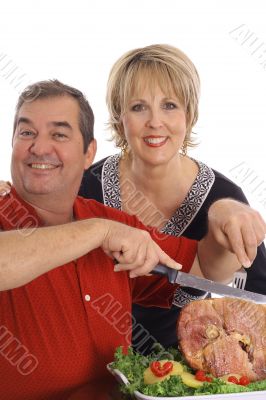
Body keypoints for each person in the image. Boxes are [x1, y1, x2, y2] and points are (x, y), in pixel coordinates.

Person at [0, 80, 243, 400]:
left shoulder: (115, 223)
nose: (39, 147)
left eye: (58, 134)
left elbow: (203, 267)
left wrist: (226, 213)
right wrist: (98, 232)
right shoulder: (104, 227)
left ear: (88, 153)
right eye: (26, 132)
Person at [77, 44, 266, 350]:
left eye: (169, 105)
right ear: (119, 116)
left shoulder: (225, 197)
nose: (155, 122)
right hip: (88, 367)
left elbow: (256, 297)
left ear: (189, 114)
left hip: (185, 377)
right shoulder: (85, 184)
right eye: (138, 107)